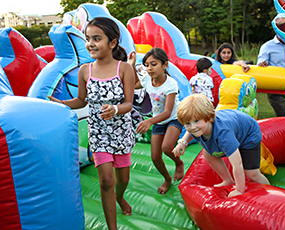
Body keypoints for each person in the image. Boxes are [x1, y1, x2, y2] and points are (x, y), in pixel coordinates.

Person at [48, 17, 136, 230]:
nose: (91, 44)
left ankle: (120, 197)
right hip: (98, 134)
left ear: (112, 43)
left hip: (121, 132)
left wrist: (115, 109)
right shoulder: (85, 70)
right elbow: (81, 100)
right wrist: (60, 103)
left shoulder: (124, 69)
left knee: (122, 179)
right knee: (106, 181)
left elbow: (129, 103)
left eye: (97, 38)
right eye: (88, 39)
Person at [172, 94, 270, 198]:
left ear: (209, 118)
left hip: (248, 134)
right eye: (187, 123)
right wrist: (182, 142)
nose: (193, 127)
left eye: (196, 121)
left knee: (252, 174)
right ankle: (228, 180)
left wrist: (239, 190)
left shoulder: (223, 134)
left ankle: (268, 191)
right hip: (234, 126)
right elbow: (189, 132)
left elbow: (238, 164)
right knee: (208, 154)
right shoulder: (198, 128)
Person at [134, 47, 184, 194]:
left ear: (164, 65)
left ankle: (179, 163)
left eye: (153, 64)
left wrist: (149, 121)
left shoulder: (171, 84)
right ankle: (167, 178)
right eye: (147, 65)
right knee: (155, 158)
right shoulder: (147, 80)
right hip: (158, 120)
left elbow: (168, 111)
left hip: (174, 118)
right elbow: (134, 83)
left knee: (167, 147)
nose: (149, 68)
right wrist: (131, 64)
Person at [257, 34, 285, 117]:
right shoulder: (267, 46)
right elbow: (261, 63)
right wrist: (262, 63)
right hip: (276, 87)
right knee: (284, 114)